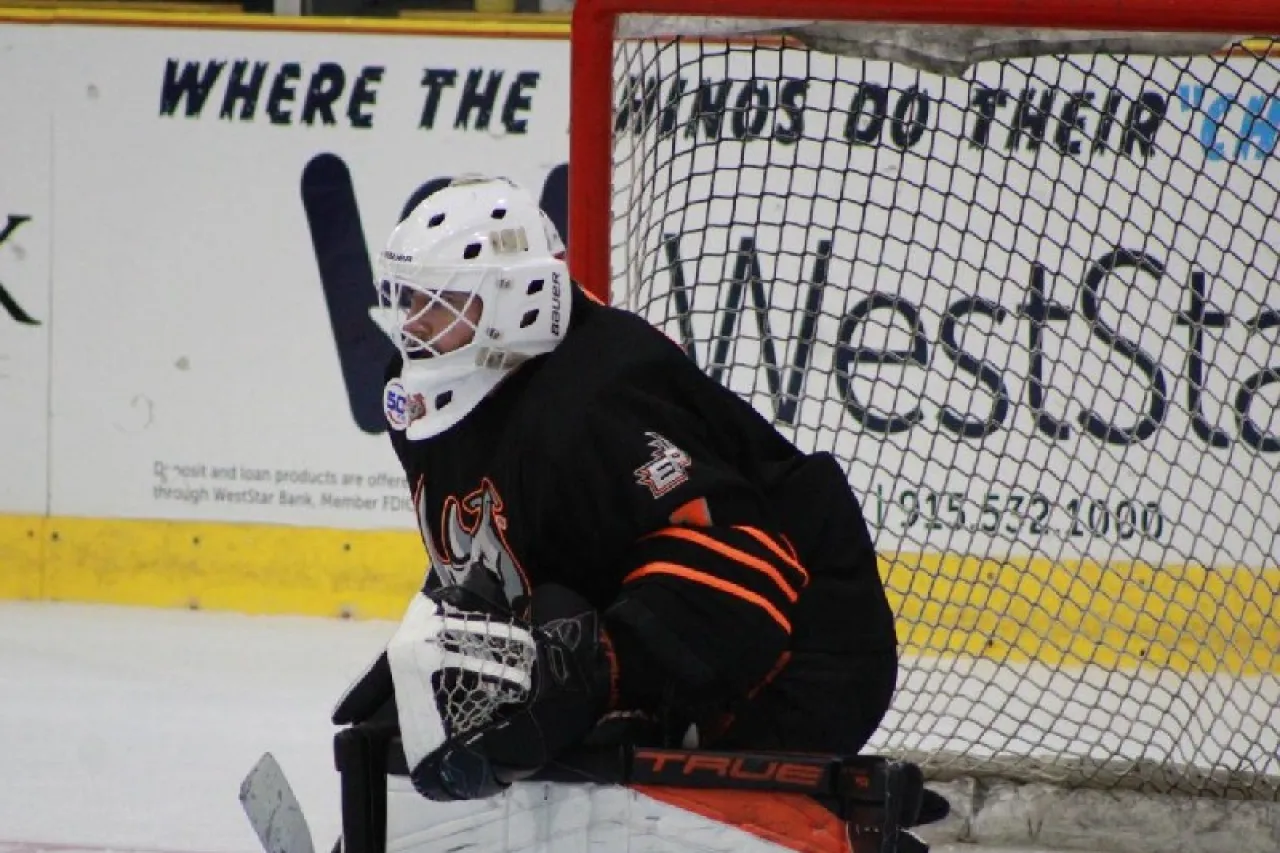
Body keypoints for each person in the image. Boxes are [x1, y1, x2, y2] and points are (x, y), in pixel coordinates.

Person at [332, 175, 899, 806]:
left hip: (803, 657)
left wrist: (598, 667)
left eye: (437, 303)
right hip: (655, 631)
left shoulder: (599, 395)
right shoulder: (423, 394)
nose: (413, 325)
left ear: (511, 302)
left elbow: (751, 568)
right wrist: (443, 654)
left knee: (560, 687)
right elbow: (517, 543)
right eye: (407, 301)